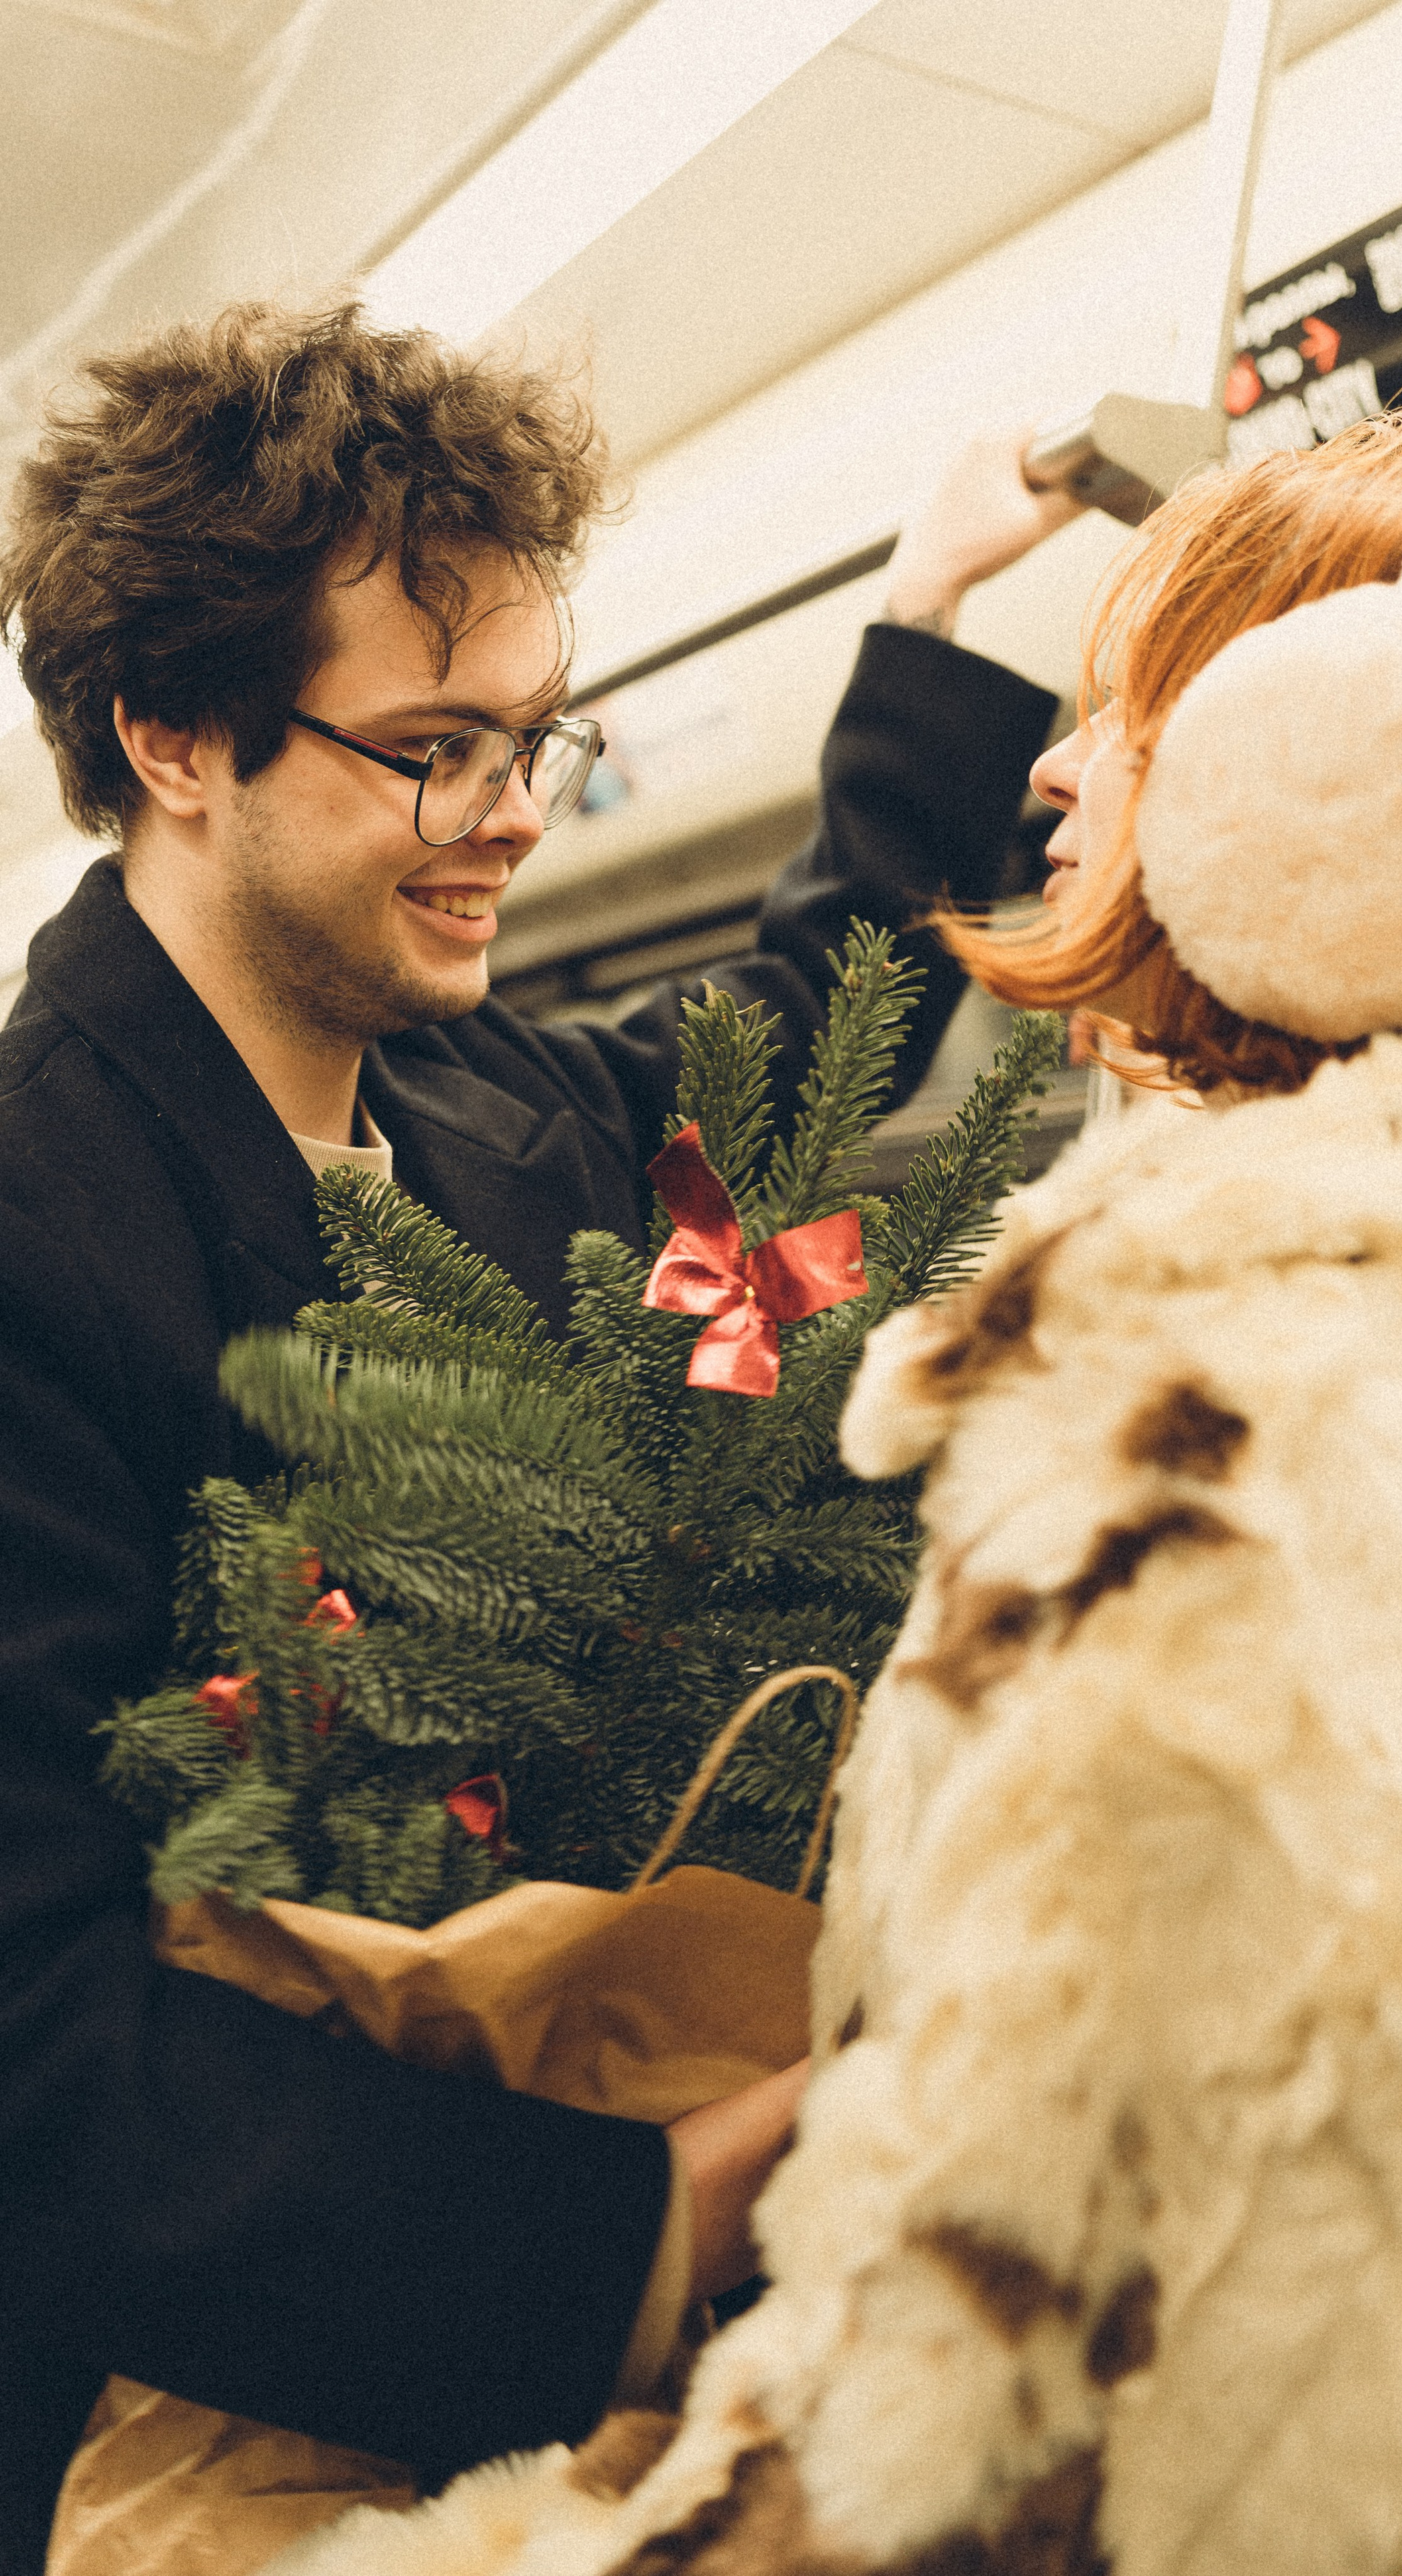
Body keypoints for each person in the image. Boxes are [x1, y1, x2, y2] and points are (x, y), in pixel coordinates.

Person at [339, 411, 1402, 2576]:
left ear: (1346, 784)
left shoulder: (1221, 1433)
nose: (1057, 778)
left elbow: (968, 2403)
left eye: (1132, 721)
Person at [0, 298, 1077, 2566]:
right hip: (222, 2408)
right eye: (435, 748)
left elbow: (799, 1031)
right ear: (171, 732)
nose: (510, 813)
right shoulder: (34, 1233)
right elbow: (41, 2045)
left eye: (539, 737)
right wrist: (642, 2224)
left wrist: (928, 613)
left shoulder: (493, 1104)